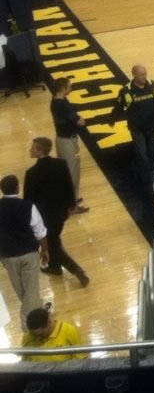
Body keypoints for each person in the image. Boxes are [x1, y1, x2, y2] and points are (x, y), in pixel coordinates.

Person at [24, 138, 88, 287]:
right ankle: (55, 267)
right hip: (61, 213)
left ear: (40, 152)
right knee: (54, 243)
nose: (30, 150)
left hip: (44, 218)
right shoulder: (61, 164)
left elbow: (29, 200)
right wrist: (71, 204)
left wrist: (28, 220)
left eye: (33, 148)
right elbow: (68, 186)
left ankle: (77, 270)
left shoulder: (32, 173)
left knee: (53, 245)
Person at [0, 174, 48, 328]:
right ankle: (28, 325)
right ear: (17, 187)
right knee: (30, 291)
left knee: (21, 290)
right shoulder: (28, 206)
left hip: (7, 256)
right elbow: (40, 231)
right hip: (29, 254)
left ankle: (39, 313)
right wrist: (45, 250)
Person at [114, 64, 154, 185]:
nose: (144, 77)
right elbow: (119, 106)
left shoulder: (153, 86)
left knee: (150, 151)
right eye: (141, 75)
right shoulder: (126, 91)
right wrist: (112, 118)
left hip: (152, 126)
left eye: (145, 74)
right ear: (134, 75)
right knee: (142, 154)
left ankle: (140, 168)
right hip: (137, 129)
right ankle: (146, 178)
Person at [48, 80, 88, 214]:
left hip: (62, 139)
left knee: (72, 171)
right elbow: (79, 121)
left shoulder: (55, 101)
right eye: (69, 86)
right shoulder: (63, 105)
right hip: (67, 142)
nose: (71, 88)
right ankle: (71, 206)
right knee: (71, 172)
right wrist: (82, 120)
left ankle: (73, 198)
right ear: (63, 88)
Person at [21, 306, 85, 361]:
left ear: (48, 323)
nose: (37, 338)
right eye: (34, 335)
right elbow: (26, 363)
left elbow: (80, 359)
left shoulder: (69, 331)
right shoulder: (28, 337)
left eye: (41, 334)